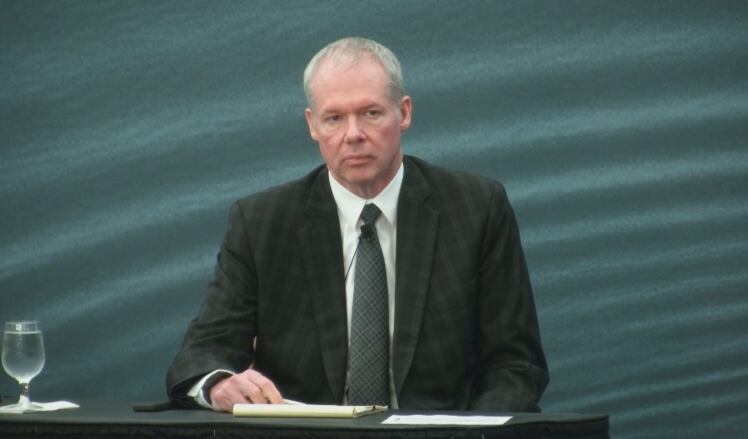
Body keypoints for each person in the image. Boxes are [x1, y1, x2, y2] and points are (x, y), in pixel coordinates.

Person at [166, 37, 548, 413]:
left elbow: (515, 366)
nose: (353, 134)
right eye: (334, 118)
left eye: (371, 113)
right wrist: (218, 385)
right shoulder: (262, 222)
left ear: (405, 112)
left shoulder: (476, 208)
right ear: (312, 125)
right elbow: (204, 351)